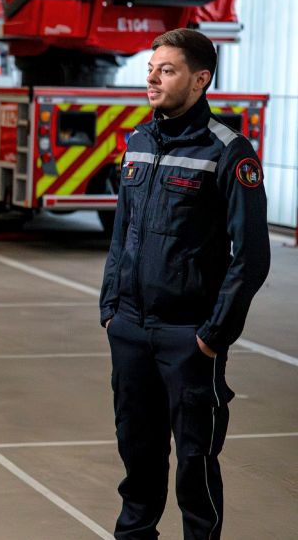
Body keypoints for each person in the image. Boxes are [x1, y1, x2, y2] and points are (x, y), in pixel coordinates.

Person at [99, 28, 271, 539]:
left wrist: (213, 335)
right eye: (151, 69)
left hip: (188, 337)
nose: (152, 79)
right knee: (138, 458)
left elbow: (252, 256)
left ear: (200, 80)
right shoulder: (137, 142)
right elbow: (121, 233)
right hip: (130, 330)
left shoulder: (229, 152)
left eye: (167, 70)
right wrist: (111, 308)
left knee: (195, 466)